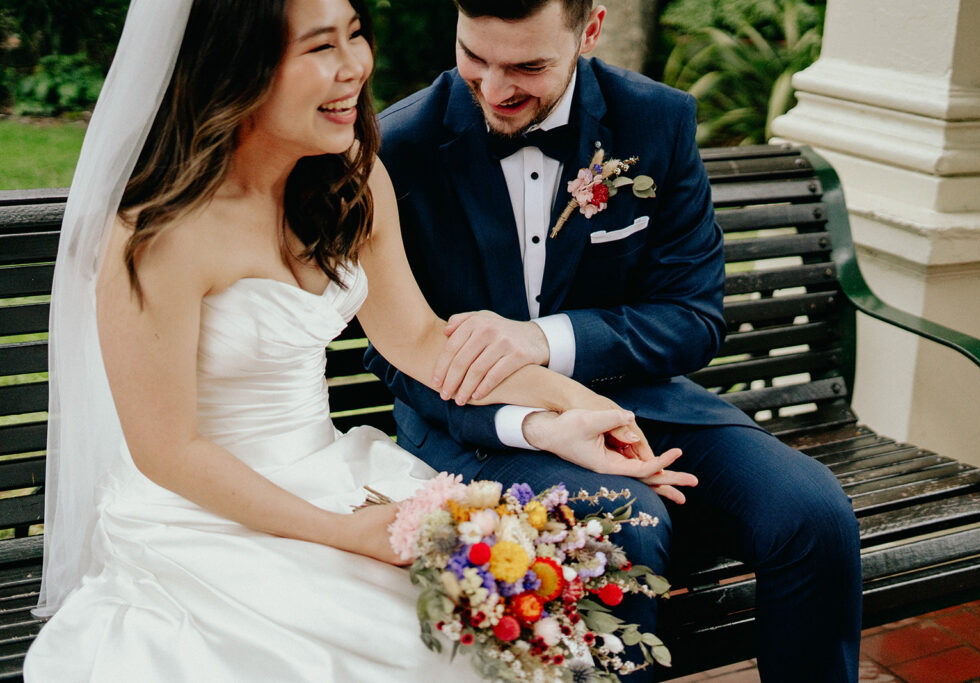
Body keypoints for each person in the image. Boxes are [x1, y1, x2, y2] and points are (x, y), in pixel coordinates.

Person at [24, 0, 696, 680]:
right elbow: (169, 451)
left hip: (337, 475)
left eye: (354, 35)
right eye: (321, 47)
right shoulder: (158, 232)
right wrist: (345, 533)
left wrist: (570, 409)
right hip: (203, 515)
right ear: (240, 67)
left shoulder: (351, 176)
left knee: (499, 627)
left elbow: (425, 342)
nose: (355, 67)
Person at [368, 1, 863, 680]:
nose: (492, 87)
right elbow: (395, 359)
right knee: (624, 526)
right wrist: (535, 416)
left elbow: (694, 315)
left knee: (815, 513)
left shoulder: (654, 121)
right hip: (481, 423)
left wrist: (542, 340)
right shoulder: (399, 148)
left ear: (590, 30)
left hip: (645, 402)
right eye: (474, 57)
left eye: (527, 66)